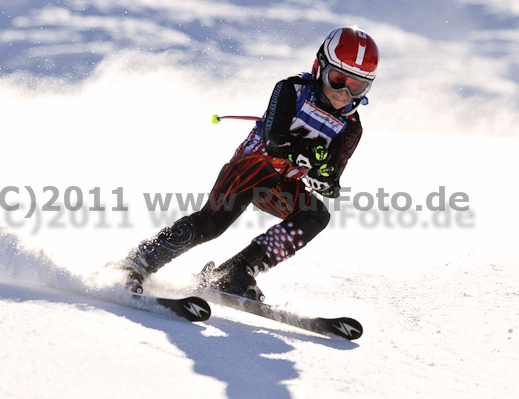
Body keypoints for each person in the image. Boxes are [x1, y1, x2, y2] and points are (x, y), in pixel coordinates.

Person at [110, 26, 379, 301]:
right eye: (337, 80)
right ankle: (139, 261)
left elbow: (330, 181)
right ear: (319, 67)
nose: (344, 93)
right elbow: (274, 140)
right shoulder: (292, 89)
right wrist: (307, 153)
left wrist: (325, 178)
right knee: (212, 224)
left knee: (316, 215)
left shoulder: (351, 127)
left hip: (279, 185)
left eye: (356, 86)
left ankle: (235, 273)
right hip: (251, 166)